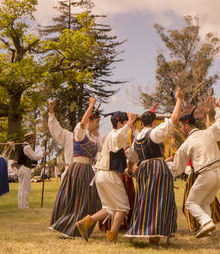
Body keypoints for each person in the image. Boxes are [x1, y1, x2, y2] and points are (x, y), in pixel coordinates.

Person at [125, 88, 183, 247]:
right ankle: (162, 236)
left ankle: (150, 231)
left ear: (142, 123)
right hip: (158, 168)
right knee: (164, 200)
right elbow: (174, 118)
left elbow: (131, 158)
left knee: (146, 201)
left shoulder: (137, 139)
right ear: (154, 122)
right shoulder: (155, 133)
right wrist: (179, 99)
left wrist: (130, 170)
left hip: (143, 170)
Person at [167, 96, 220, 238]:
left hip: (207, 174)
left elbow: (177, 168)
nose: (181, 129)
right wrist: (216, 107)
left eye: (181, 127)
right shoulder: (208, 132)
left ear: (187, 126)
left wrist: (161, 165)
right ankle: (208, 232)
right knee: (205, 202)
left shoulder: (188, 143)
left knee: (191, 203)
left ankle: (206, 223)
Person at [76, 111, 137, 243]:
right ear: (119, 123)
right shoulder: (115, 134)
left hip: (101, 174)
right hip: (108, 175)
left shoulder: (111, 137)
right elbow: (119, 138)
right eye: (125, 122)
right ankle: (112, 237)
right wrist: (130, 124)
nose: (128, 124)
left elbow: (115, 159)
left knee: (109, 207)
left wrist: (126, 171)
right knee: (123, 207)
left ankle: (85, 223)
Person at [50, 97, 102, 237]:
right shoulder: (79, 133)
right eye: (96, 122)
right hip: (78, 169)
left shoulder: (95, 139)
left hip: (88, 172)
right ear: (90, 121)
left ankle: (81, 226)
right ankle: (68, 227)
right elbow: (82, 123)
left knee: (93, 201)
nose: (98, 125)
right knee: (76, 201)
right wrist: (91, 106)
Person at [17, 132, 46, 209]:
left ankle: (21, 205)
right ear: (28, 139)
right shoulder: (27, 147)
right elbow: (34, 157)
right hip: (25, 169)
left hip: (21, 169)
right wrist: (43, 154)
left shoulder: (22, 146)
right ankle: (25, 205)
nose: (33, 140)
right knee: (26, 188)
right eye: (32, 139)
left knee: (21, 187)